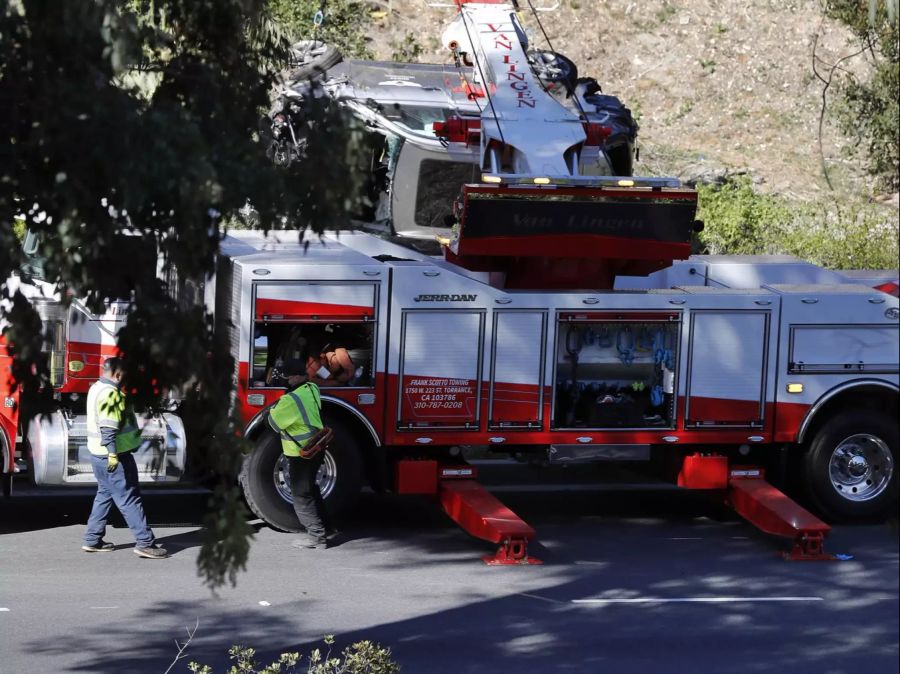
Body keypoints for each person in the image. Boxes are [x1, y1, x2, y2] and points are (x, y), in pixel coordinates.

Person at [82, 357, 167, 559]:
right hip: (114, 457)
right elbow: (108, 429)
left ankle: (92, 540)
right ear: (118, 374)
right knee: (129, 498)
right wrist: (113, 455)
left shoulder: (96, 387)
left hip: (98, 455)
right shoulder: (111, 394)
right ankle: (145, 543)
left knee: (105, 495)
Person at [268, 355, 333, 549]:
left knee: (301, 495)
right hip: (317, 448)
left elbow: (272, 423)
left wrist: (273, 408)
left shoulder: (291, 400)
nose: (284, 381)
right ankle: (328, 528)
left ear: (297, 377)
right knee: (311, 489)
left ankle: (316, 537)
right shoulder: (311, 388)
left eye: (287, 378)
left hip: (301, 453)